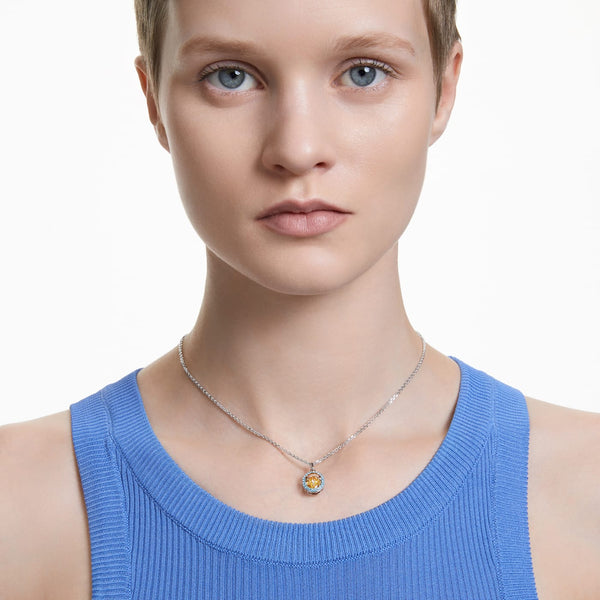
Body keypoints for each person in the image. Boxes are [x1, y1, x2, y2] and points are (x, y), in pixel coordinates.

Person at [1, 0, 599, 598]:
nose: (297, 147)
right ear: (153, 99)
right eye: (230, 76)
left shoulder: (584, 492)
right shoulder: (18, 505)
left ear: (443, 89)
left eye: (363, 72)